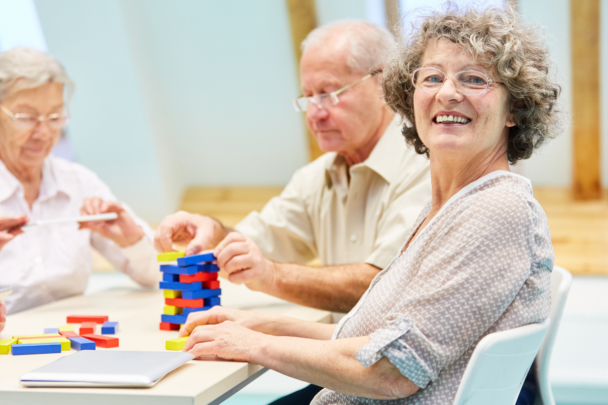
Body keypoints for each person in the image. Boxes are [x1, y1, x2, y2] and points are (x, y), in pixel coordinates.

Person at [176, 6, 561, 404]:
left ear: (514, 109)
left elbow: (391, 371)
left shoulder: (495, 211)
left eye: (474, 79)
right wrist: (261, 326)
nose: (447, 92)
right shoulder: (446, 210)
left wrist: (256, 346)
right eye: (432, 78)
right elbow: (372, 339)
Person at [154, 20, 432, 314]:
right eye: (308, 97)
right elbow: (256, 244)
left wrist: (271, 275)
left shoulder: (427, 165)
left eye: (328, 93)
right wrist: (212, 233)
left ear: (384, 83)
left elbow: (385, 286)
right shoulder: (316, 176)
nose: (314, 114)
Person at [0, 48, 158, 330]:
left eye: (55, 117)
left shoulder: (78, 183)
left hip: (73, 341)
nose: (44, 133)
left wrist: (131, 240)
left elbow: (158, 276)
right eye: (26, 117)